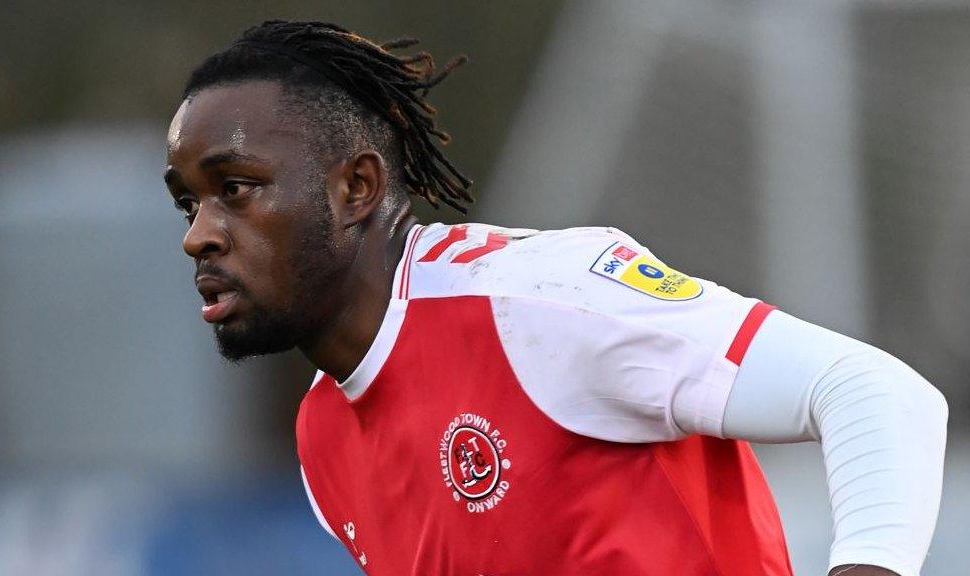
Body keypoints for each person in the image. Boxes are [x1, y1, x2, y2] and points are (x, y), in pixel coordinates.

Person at [163, 20, 947, 576]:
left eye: (235, 189)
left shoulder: (539, 301)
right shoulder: (321, 438)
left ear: (356, 187)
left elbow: (878, 395)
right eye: (188, 204)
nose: (200, 234)